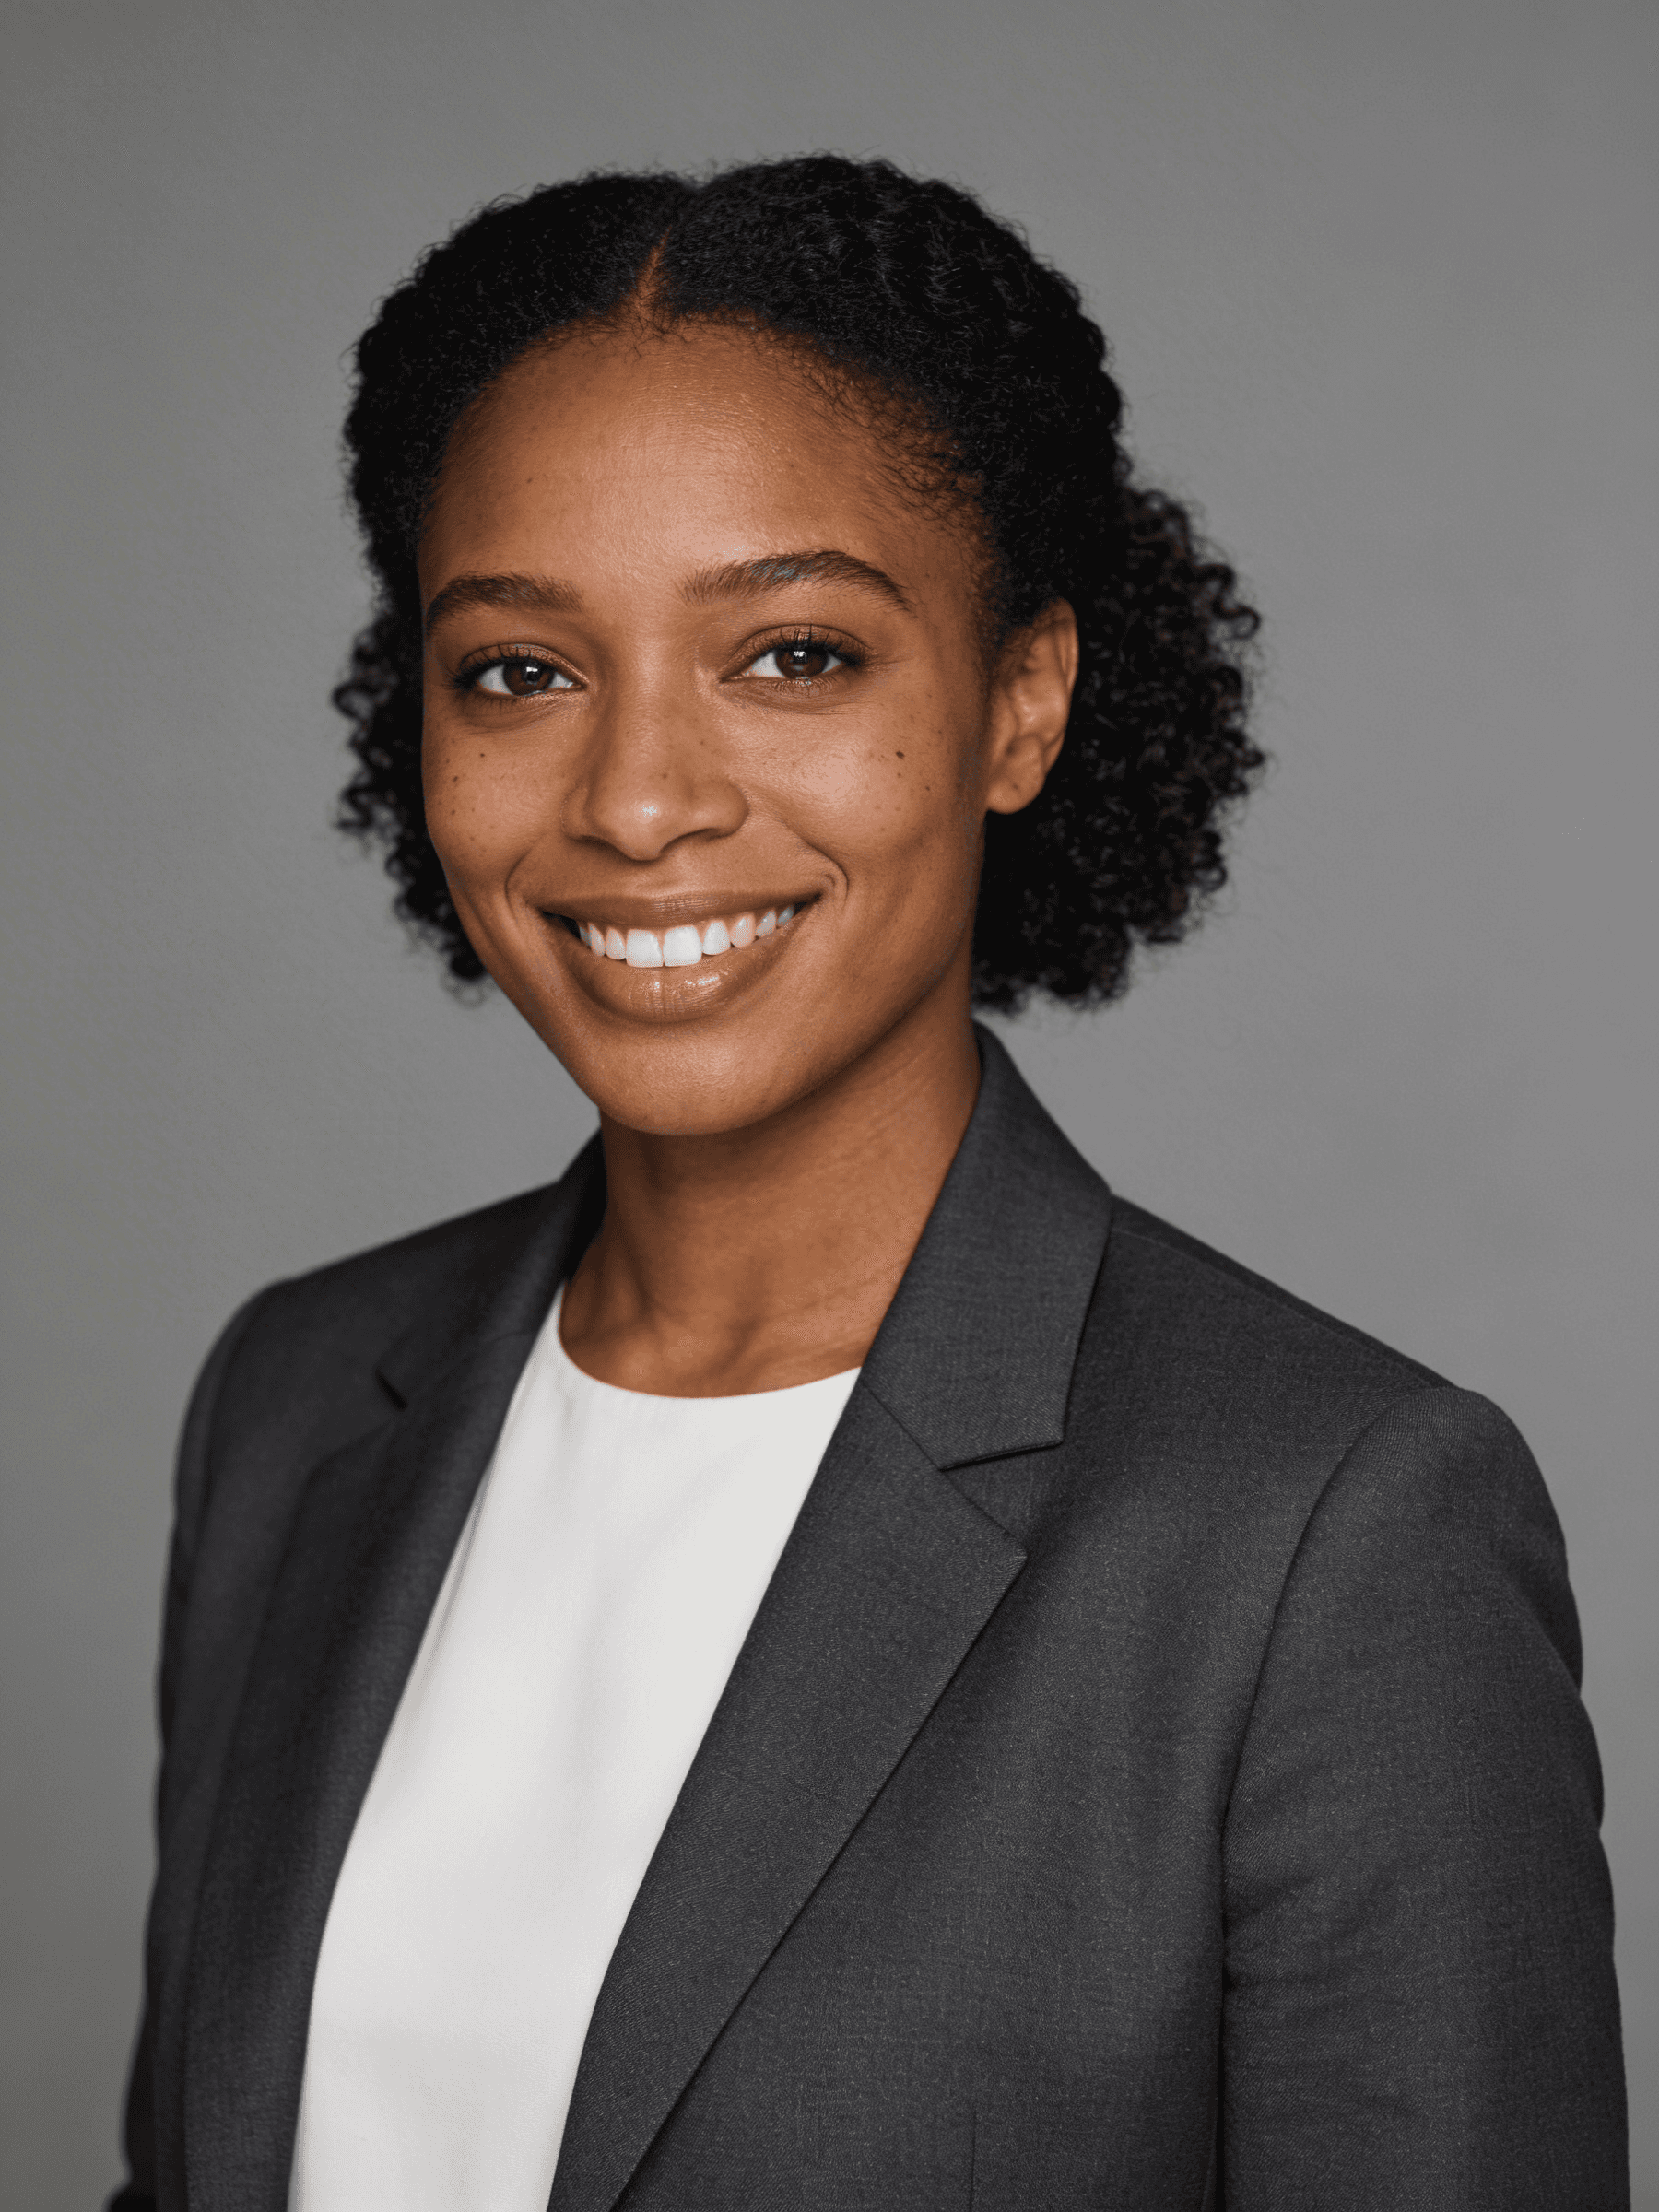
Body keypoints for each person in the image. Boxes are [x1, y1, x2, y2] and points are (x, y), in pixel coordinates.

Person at [109, 157, 1626, 2212]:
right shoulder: (298, 1401)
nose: (640, 799)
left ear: (1021, 701)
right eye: (521, 671)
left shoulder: (1330, 1537)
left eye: (794, 656)